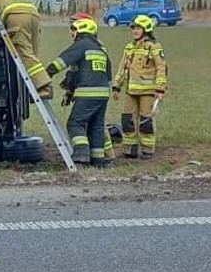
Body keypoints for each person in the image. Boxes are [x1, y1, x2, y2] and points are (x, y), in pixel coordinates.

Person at [42, 14, 114, 166]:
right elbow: (104, 74)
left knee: (75, 123)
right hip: (103, 94)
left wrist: (45, 74)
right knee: (96, 126)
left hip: (87, 93)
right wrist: (69, 92)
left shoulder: (82, 45)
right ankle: (98, 160)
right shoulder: (101, 49)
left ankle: (81, 155)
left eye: (73, 30)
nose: (72, 33)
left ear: (81, 30)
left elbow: (62, 61)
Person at [110, 13, 168, 159]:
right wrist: (117, 86)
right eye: (133, 28)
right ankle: (130, 149)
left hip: (148, 92)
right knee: (127, 120)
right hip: (131, 91)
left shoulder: (154, 47)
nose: (135, 31)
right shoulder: (129, 48)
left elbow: (161, 68)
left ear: (146, 29)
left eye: (138, 28)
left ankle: (147, 149)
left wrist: (160, 89)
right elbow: (122, 68)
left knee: (146, 122)